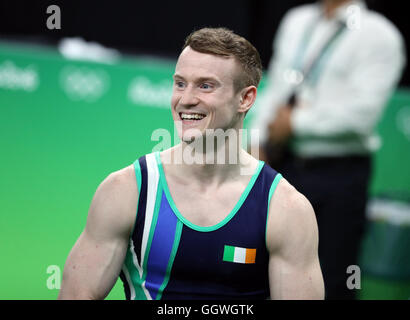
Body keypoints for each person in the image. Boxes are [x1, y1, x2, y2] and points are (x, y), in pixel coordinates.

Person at [58, 27, 324, 300]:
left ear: (246, 98)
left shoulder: (286, 210)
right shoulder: (126, 191)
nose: (186, 100)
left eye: (205, 85)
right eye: (180, 83)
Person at [250, 0, 406, 299]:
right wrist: (258, 137)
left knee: (337, 277)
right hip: (284, 165)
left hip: (339, 175)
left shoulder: (379, 34)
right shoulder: (297, 20)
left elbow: (363, 114)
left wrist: (297, 122)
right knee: (263, 272)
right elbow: (277, 86)